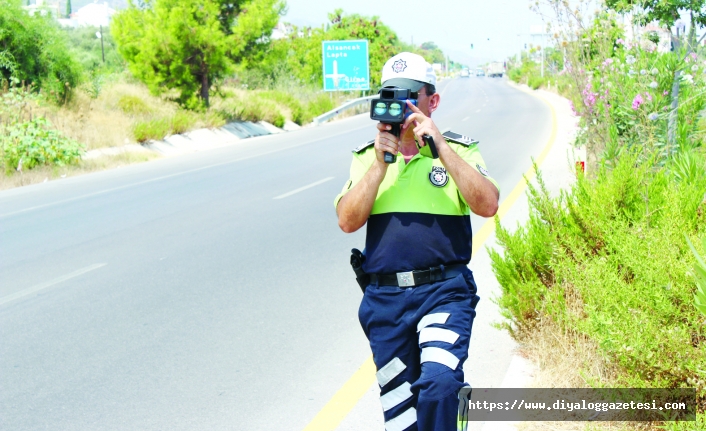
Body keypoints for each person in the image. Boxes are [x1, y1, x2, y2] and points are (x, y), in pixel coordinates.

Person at [333, 52, 500, 431]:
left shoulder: (459, 151)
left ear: (432, 102)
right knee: (401, 414)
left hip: (444, 291)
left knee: (440, 387)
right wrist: (380, 164)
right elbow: (347, 221)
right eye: (391, 96)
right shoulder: (366, 158)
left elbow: (487, 204)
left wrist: (440, 146)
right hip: (386, 302)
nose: (401, 107)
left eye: (410, 97)